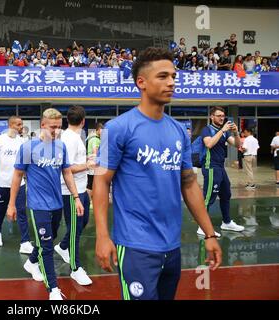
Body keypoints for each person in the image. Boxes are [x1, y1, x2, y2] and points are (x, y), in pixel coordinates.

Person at [93, 47, 222, 300]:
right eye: (163, 76)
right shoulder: (117, 128)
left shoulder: (178, 131)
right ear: (141, 82)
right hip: (135, 246)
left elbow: (189, 183)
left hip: (172, 245)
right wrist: (102, 235)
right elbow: (101, 180)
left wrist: (209, 233)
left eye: (173, 76)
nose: (172, 82)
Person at [7, 108, 84, 300]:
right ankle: (53, 289)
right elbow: (17, 176)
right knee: (47, 247)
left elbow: (67, 172)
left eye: (59, 127)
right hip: (38, 205)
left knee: (49, 239)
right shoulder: (28, 147)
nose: (56, 131)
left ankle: (31, 262)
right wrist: (11, 204)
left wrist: (76, 197)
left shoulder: (61, 147)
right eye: (52, 127)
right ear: (42, 125)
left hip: (57, 203)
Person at [54, 105, 93, 286]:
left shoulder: (75, 137)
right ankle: (76, 269)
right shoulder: (69, 139)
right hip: (70, 191)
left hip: (81, 189)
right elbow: (66, 168)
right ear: (83, 121)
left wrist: (88, 162)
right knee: (76, 229)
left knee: (83, 222)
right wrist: (89, 164)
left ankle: (62, 246)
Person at [0, 116, 33, 253]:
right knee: (0, 211)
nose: (21, 127)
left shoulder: (23, 142)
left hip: (19, 184)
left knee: (21, 212)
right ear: (11, 125)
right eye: (18, 124)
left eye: (22, 124)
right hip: (1, 184)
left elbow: (26, 164)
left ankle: (25, 242)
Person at [198, 106, 244, 236]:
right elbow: (209, 144)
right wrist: (222, 130)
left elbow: (237, 145)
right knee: (209, 197)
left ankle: (227, 222)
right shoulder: (207, 129)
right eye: (218, 116)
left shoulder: (225, 132)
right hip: (210, 166)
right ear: (212, 117)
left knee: (226, 194)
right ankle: (202, 226)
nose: (221, 118)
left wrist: (235, 132)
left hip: (220, 167)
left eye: (223, 116)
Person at [85, 122, 103, 203]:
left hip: (90, 164)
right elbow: (95, 152)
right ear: (98, 130)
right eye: (102, 131)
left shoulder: (91, 138)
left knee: (90, 184)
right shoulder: (95, 139)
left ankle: (90, 201)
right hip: (93, 165)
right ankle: (91, 201)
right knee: (91, 184)